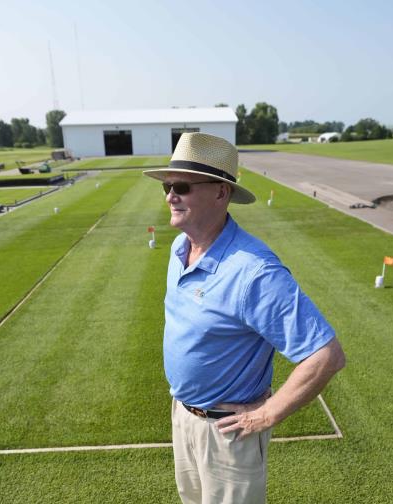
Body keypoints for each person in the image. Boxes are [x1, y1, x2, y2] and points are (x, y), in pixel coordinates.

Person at [144, 133, 346, 503]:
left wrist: (266, 414)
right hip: (184, 416)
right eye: (168, 186)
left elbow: (326, 356)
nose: (171, 195)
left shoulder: (254, 272)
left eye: (183, 186)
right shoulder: (179, 247)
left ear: (221, 193)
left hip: (227, 434)